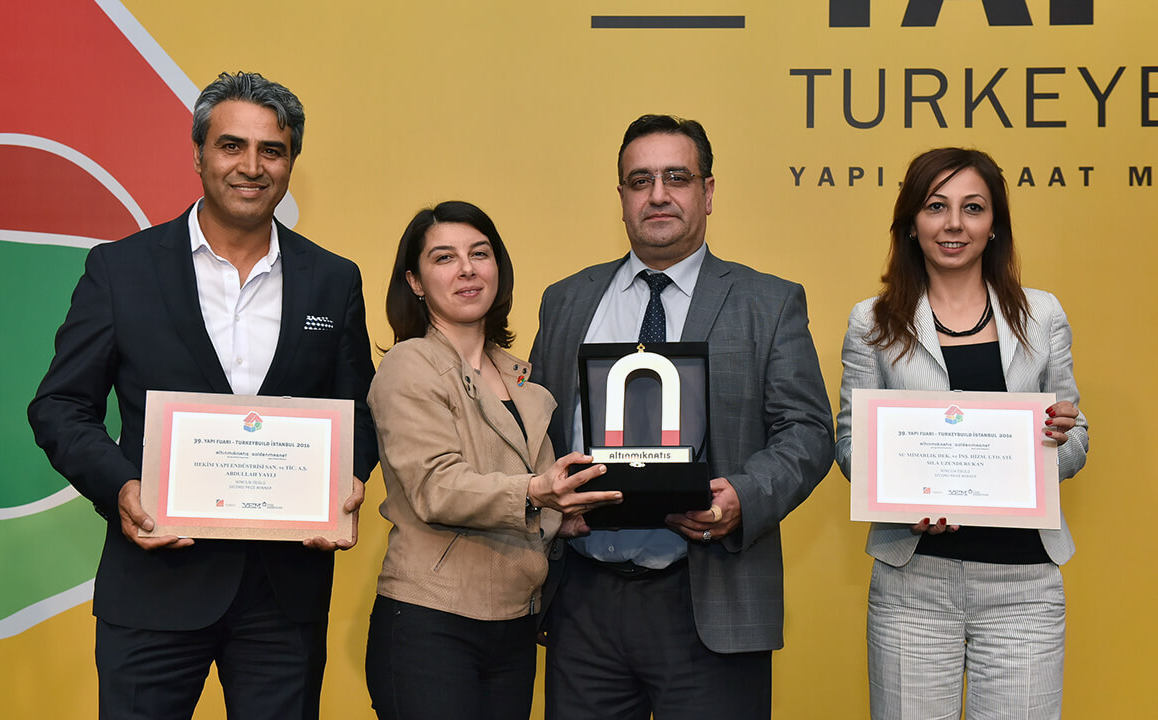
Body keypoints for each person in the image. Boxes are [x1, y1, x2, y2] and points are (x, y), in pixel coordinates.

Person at [28, 71, 378, 719]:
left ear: (291, 162)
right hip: (153, 584)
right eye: (231, 146)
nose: (251, 166)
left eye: (272, 150)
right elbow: (60, 407)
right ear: (198, 155)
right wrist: (121, 487)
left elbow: (360, 410)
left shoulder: (333, 280)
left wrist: (347, 478)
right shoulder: (121, 269)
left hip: (284, 596)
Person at [529, 114, 834, 719]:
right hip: (583, 603)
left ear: (708, 191)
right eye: (640, 180)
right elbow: (535, 428)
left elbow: (807, 430)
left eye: (677, 177)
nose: (658, 194)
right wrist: (545, 505)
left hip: (709, 596)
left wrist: (745, 496)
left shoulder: (769, 302)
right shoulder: (566, 300)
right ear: (621, 197)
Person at [835, 147, 1089, 719]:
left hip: (1025, 588)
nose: (954, 224)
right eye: (936, 206)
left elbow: (1077, 437)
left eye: (972, 208)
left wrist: (1058, 438)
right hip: (912, 586)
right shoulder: (871, 322)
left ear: (994, 224)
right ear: (911, 222)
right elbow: (850, 448)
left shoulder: (1042, 316)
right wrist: (903, 499)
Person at [364, 201, 620, 720]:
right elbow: (437, 487)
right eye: (444, 258)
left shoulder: (525, 379)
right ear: (415, 282)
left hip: (515, 623)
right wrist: (536, 494)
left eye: (480, 254)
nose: (467, 269)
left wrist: (562, 517)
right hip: (430, 620)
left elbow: (533, 493)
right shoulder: (409, 366)